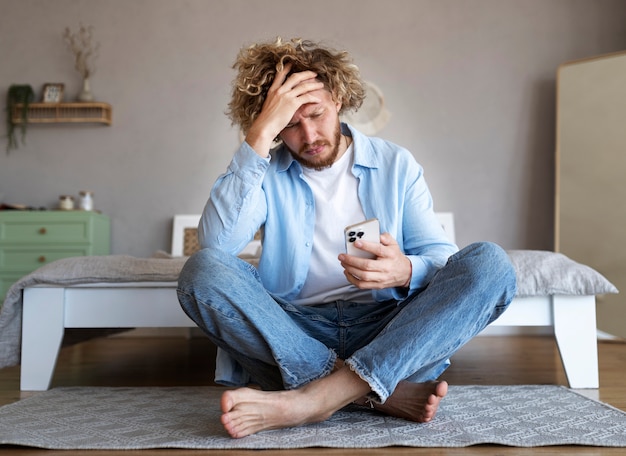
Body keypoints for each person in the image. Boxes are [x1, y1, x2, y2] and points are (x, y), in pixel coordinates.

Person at [177, 37, 517, 439]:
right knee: (202, 270)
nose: (308, 135)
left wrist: (407, 270)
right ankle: (371, 392)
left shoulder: (396, 164)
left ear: (336, 97)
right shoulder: (264, 171)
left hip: (388, 329)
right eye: (288, 124)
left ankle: (310, 399)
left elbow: (443, 258)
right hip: (294, 331)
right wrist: (259, 133)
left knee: (491, 264)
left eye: (316, 114)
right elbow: (217, 245)